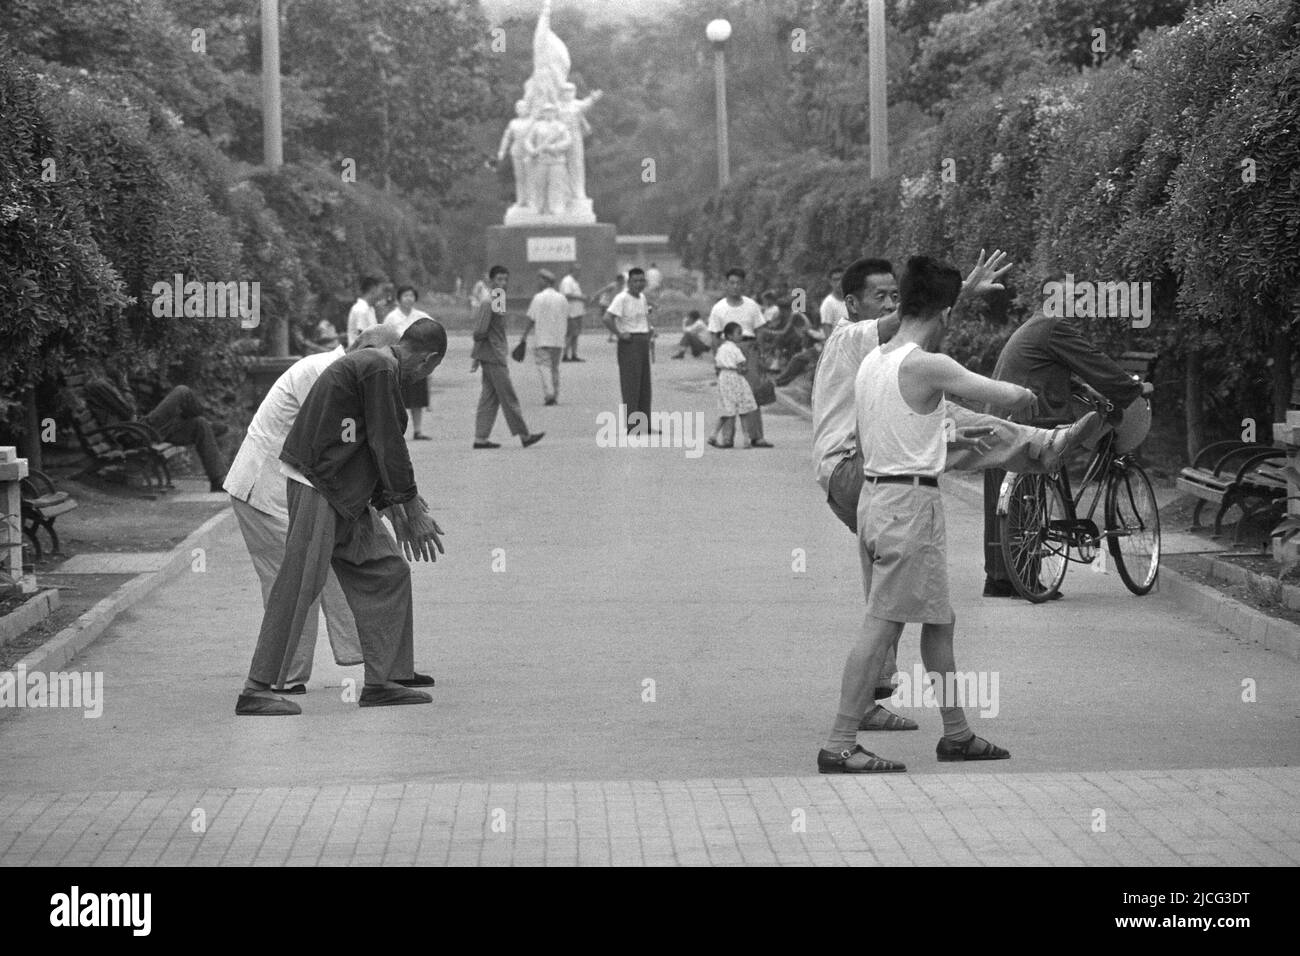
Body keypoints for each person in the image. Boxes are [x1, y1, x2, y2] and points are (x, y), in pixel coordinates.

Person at [811, 253, 1101, 734]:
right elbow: (907, 324)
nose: (889, 302)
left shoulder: (878, 363)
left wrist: (944, 435)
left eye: (894, 293)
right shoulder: (850, 339)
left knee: (909, 611)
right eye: (879, 296)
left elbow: (898, 415)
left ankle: (920, 719)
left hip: (865, 482)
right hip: (858, 474)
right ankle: (843, 739)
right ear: (851, 303)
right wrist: (954, 293)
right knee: (886, 617)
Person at [235, 318, 450, 716]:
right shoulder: (380, 366)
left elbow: (371, 445)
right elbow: (387, 444)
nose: (422, 377)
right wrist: (412, 507)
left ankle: (384, 679)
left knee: (387, 570)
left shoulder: (378, 371)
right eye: (429, 370)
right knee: (300, 581)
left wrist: (395, 508)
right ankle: (255, 688)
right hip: (318, 486)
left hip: (345, 494)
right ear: (428, 359)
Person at [982, 294, 1145, 597]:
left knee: (1004, 503)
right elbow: (1094, 361)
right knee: (1029, 494)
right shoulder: (1053, 326)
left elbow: (1044, 369)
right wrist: (1130, 389)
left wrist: (1081, 388)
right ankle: (1025, 578)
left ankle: (1000, 578)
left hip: (1001, 418)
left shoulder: (1035, 327)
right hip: (1029, 419)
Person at [82, 370, 229, 493]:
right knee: (182, 391)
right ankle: (208, 421)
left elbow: (130, 409)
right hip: (131, 433)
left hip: (137, 429)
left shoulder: (104, 384)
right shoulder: (98, 386)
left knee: (199, 424)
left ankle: (217, 480)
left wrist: (123, 384)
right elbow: (129, 411)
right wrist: (123, 383)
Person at [470, 265, 545, 450]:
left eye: (505, 279)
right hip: (494, 355)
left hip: (493, 353)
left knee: (489, 397)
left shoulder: (499, 298)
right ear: (490, 280)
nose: (502, 283)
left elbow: (496, 328)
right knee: (508, 396)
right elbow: (480, 331)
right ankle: (525, 435)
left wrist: (479, 355)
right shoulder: (490, 300)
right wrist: (477, 355)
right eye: (499, 280)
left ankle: (481, 438)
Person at [707, 268, 771, 447]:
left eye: (739, 283)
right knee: (729, 396)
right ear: (726, 285)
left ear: (744, 284)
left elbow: (760, 329)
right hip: (727, 352)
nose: (735, 286)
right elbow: (714, 337)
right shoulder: (719, 308)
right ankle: (727, 438)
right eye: (732, 283)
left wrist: (761, 353)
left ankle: (756, 436)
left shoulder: (752, 305)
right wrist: (717, 361)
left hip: (749, 350)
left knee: (751, 395)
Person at [602, 267, 654, 434]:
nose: (639, 284)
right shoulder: (621, 298)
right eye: (635, 281)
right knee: (631, 384)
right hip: (629, 343)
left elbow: (644, 317)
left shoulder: (642, 298)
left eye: (641, 281)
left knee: (645, 385)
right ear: (629, 282)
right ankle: (633, 425)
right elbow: (607, 317)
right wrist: (619, 333)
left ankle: (644, 423)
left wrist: (650, 329)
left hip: (643, 340)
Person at [384, 285, 434, 440]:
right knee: (398, 397)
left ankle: (418, 430)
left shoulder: (421, 316)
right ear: (399, 299)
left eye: (412, 295)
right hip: (398, 362)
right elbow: (385, 337)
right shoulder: (392, 318)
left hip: (417, 362)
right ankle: (397, 430)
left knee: (417, 397)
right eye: (405, 295)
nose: (409, 299)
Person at [707, 322, 763, 449]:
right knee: (743, 410)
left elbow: (717, 364)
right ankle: (746, 438)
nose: (741, 335)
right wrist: (744, 370)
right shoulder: (735, 349)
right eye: (738, 333)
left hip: (723, 377)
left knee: (726, 410)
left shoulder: (721, 348)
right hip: (735, 378)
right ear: (730, 336)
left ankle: (713, 434)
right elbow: (741, 366)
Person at [523, 269, 569, 405]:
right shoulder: (562, 298)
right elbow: (567, 316)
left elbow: (531, 318)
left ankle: (549, 393)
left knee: (544, 366)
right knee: (554, 367)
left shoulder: (538, 298)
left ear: (546, 281)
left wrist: (524, 336)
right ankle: (555, 393)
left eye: (540, 279)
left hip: (542, 338)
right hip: (558, 340)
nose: (538, 282)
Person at [524, 104, 572, 216]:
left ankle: (557, 207)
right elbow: (527, 140)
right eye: (546, 111)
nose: (549, 113)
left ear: (555, 112)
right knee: (540, 184)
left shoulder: (561, 126)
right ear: (543, 113)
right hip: (541, 160)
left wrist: (553, 148)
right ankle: (540, 207)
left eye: (551, 111)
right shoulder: (537, 125)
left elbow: (568, 141)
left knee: (556, 184)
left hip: (557, 160)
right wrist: (531, 150)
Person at [497, 100, 535, 210]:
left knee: (530, 176)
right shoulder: (513, 123)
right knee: (520, 177)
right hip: (517, 151)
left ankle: (532, 200)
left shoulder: (532, 121)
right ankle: (521, 200)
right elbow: (507, 137)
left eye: (523, 107)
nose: (521, 110)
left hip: (530, 152)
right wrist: (502, 150)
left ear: (528, 109)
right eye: (519, 108)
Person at [559, 263, 587, 362]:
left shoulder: (575, 282)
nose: (579, 273)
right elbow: (567, 295)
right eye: (577, 270)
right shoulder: (567, 281)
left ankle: (574, 354)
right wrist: (581, 297)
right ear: (572, 270)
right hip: (570, 313)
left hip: (577, 312)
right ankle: (565, 355)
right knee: (570, 334)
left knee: (576, 334)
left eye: (580, 270)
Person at [346, 276, 383, 346]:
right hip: (359, 354)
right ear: (373, 289)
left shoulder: (370, 309)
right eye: (380, 290)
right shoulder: (361, 309)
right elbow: (363, 336)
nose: (381, 293)